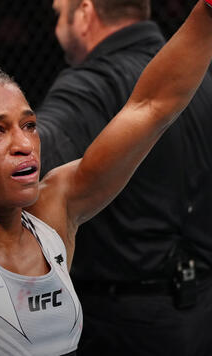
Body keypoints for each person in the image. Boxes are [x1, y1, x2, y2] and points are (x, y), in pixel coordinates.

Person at [0, 1, 212, 355]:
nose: (24, 145)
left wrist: (207, 9)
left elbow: (152, 106)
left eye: (30, 125)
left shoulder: (53, 216)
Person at [36, 1, 212, 355]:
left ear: (84, 13)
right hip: (204, 309)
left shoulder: (89, 85)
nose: (56, 24)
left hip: (122, 322)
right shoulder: (201, 74)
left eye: (58, 12)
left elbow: (33, 153)